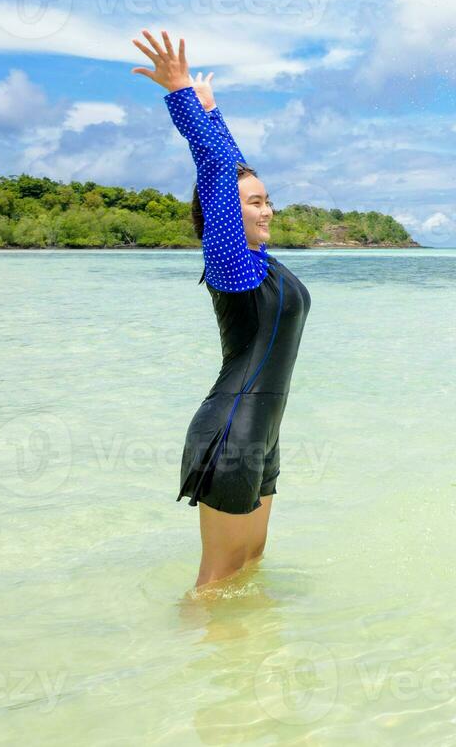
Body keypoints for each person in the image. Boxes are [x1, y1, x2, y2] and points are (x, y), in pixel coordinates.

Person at [132, 30, 312, 591]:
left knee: (250, 568)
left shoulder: (260, 262)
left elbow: (233, 168)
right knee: (217, 580)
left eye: (268, 199)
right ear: (227, 220)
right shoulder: (234, 267)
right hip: (231, 432)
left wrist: (214, 110)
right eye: (257, 204)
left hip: (263, 433)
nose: (269, 209)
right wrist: (183, 96)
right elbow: (216, 173)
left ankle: (236, 673)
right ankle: (182, 670)